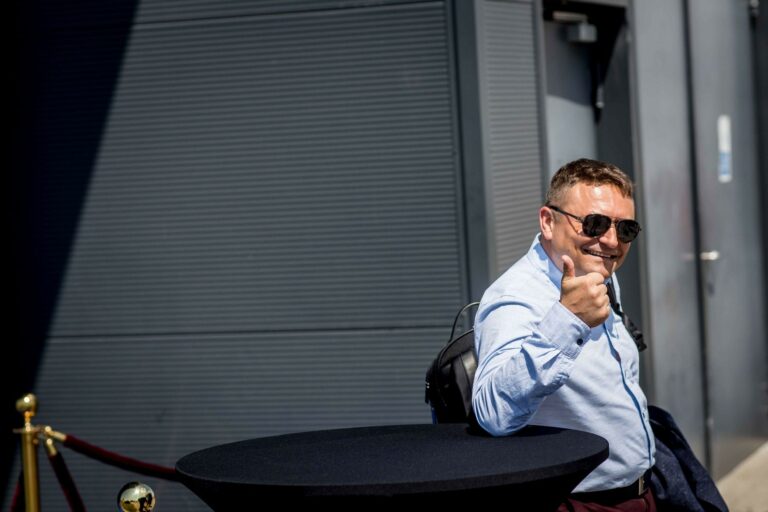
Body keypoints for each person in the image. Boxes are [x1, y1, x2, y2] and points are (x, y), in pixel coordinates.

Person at [472, 158, 656, 511]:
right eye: (594, 224)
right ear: (548, 221)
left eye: (626, 229)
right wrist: (568, 320)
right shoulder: (516, 298)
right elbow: (492, 412)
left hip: (636, 492)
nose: (611, 241)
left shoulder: (596, 271)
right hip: (578, 502)